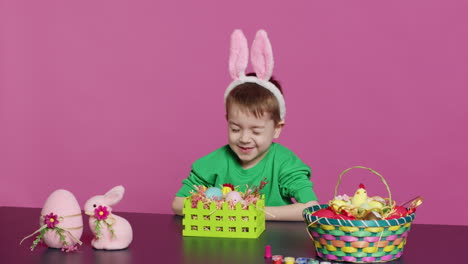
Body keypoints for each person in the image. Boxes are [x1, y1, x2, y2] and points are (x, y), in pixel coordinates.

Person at [171, 29, 319, 221]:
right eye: (235, 129)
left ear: (277, 129)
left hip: (274, 245)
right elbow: (178, 204)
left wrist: (251, 211)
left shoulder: (284, 164)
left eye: (256, 131)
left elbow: (311, 208)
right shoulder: (213, 163)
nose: (244, 138)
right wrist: (224, 208)